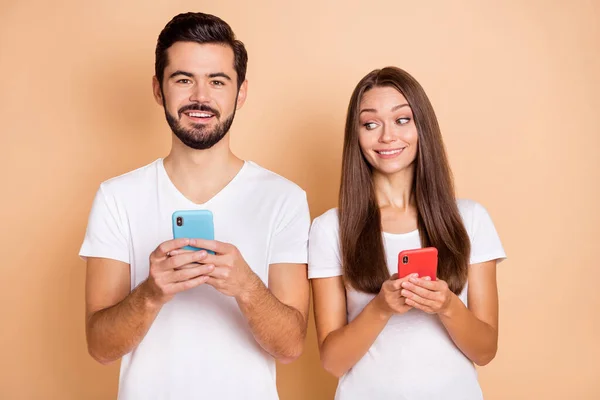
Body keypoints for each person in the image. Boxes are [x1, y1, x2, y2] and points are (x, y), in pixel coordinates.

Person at [80, 12, 310, 400]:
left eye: (217, 81)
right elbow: (100, 347)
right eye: (184, 79)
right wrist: (152, 292)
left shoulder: (284, 199)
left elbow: (291, 347)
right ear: (158, 89)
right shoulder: (116, 197)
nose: (200, 97)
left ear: (241, 92)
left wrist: (246, 286)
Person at [308, 66, 506, 399]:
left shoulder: (469, 219)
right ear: (356, 136)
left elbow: (485, 351)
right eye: (370, 124)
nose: (387, 137)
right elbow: (332, 361)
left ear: (422, 127)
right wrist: (381, 308)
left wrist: (447, 306)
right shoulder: (330, 228)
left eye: (402, 120)